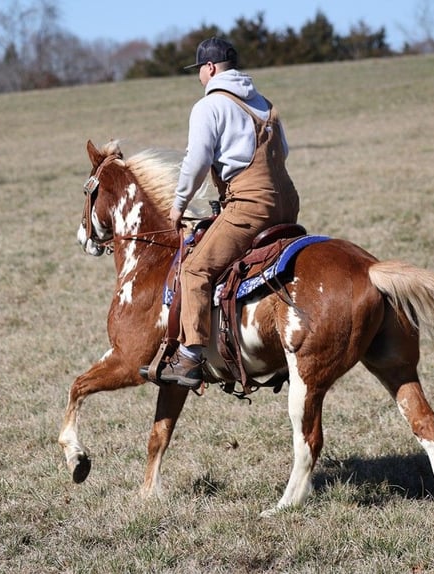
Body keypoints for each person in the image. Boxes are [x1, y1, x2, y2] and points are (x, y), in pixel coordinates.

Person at [147, 37, 300, 389]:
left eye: (200, 69)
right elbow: (284, 152)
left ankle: (189, 358)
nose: (199, 76)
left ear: (211, 67)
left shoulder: (209, 107)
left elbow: (197, 161)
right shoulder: (264, 103)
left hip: (249, 206)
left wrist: (179, 204)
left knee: (196, 269)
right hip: (288, 204)